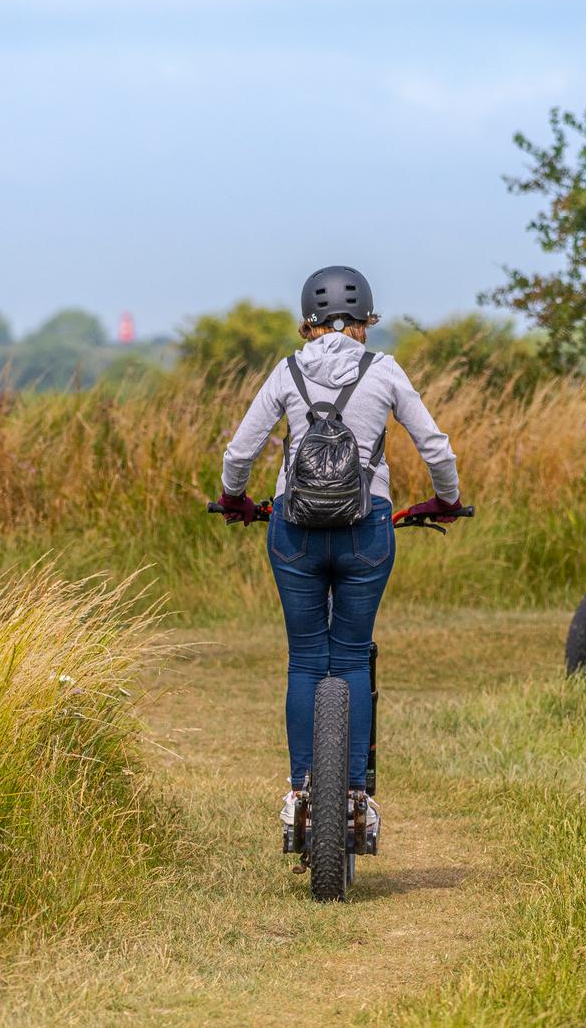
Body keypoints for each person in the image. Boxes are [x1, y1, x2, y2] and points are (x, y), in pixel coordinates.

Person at [216, 265, 462, 833]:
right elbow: (437, 449)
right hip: (366, 529)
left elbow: (239, 453)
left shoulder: (285, 372)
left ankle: (301, 796)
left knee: (305, 658)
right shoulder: (386, 371)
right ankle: (353, 799)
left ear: (309, 323)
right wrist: (444, 501)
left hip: (295, 533)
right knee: (350, 656)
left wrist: (235, 499)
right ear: (364, 322)